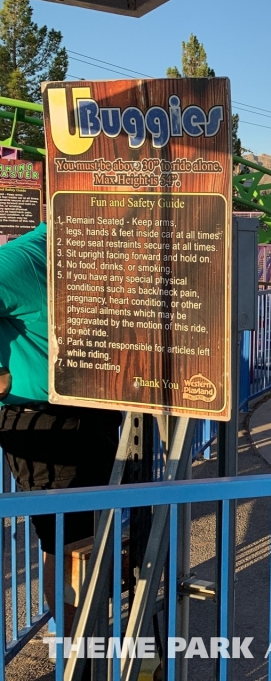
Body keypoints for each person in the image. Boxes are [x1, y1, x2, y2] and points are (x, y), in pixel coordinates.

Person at [0, 222, 120, 624]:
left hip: (93, 412)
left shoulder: (96, 247)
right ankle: (76, 657)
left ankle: (86, 644)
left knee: (91, 538)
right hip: (48, 422)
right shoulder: (23, 259)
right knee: (72, 543)